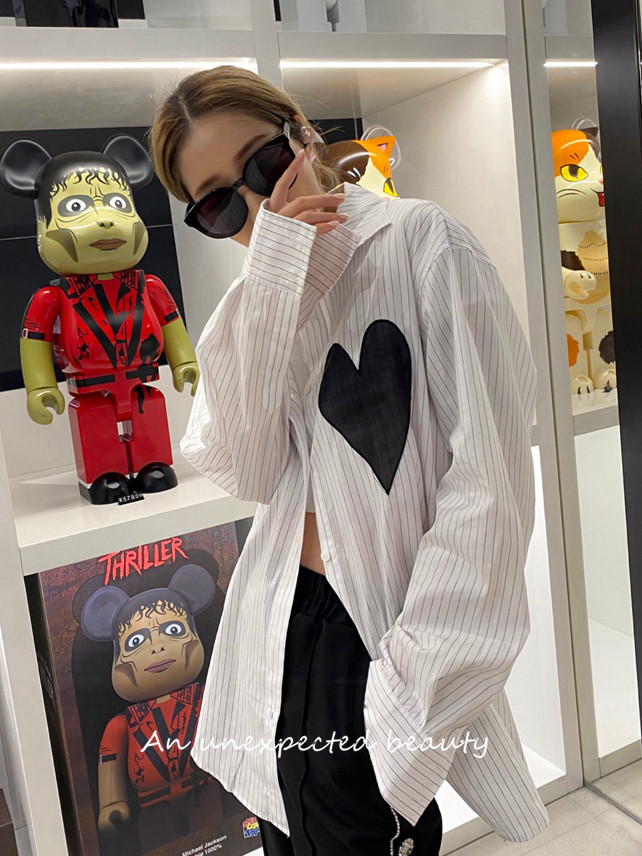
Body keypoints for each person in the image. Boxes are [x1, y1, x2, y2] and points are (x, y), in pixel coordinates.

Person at [147, 65, 550, 856]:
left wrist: (408, 683)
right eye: (219, 204)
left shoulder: (423, 241)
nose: (257, 204)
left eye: (265, 163)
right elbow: (246, 466)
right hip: (275, 623)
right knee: (289, 834)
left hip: (379, 639)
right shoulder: (255, 299)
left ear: (302, 134)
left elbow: (490, 487)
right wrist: (275, 288)